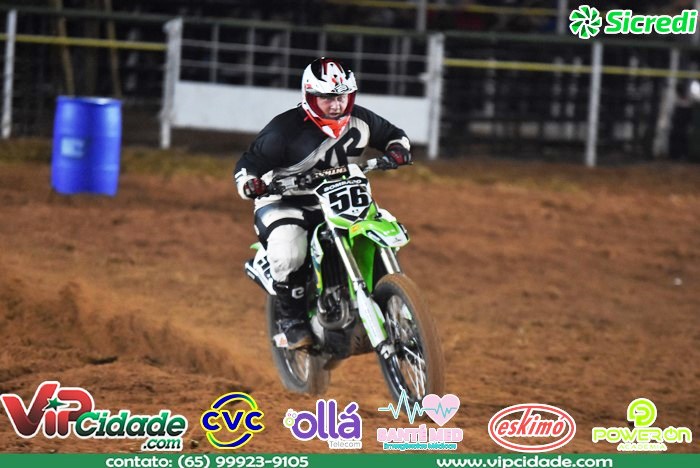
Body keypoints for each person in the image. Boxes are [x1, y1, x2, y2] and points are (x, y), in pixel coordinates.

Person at [234, 57, 412, 349]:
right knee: (289, 254)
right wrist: (250, 183)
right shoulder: (283, 130)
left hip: (341, 196)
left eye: (342, 97)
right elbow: (249, 162)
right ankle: (291, 320)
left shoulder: (361, 119)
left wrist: (398, 150)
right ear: (309, 96)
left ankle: (393, 304)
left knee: (382, 226)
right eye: (327, 98)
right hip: (287, 200)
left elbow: (394, 135)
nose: (336, 105)